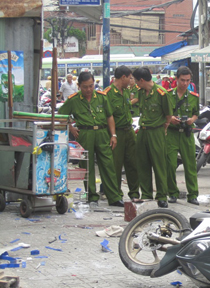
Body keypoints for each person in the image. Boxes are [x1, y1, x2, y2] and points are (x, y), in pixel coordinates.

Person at [58, 72, 124, 207]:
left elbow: (109, 116)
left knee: (108, 165)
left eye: (91, 86)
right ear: (79, 86)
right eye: (85, 87)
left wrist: (113, 135)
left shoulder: (102, 97)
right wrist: (71, 127)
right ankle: (92, 196)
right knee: (86, 166)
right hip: (84, 133)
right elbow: (62, 116)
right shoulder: (73, 100)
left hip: (102, 132)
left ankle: (114, 197)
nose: (88, 90)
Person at [133, 67, 173, 208]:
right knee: (142, 163)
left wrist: (164, 127)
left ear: (142, 80)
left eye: (136, 81)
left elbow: (168, 115)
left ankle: (162, 196)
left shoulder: (162, 94)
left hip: (156, 131)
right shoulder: (141, 93)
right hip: (143, 131)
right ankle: (146, 194)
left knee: (159, 164)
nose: (136, 84)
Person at [104, 66, 141, 203]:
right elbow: (108, 116)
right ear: (123, 77)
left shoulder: (126, 92)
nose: (131, 81)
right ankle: (116, 195)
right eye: (130, 78)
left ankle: (134, 193)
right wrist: (112, 135)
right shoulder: (108, 93)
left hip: (129, 130)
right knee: (116, 166)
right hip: (116, 132)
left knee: (133, 163)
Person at [166, 66, 200, 205]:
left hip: (186, 134)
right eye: (182, 80)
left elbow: (196, 113)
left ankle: (192, 195)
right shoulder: (168, 95)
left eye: (188, 80)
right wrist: (170, 119)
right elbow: (163, 113)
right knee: (170, 164)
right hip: (172, 134)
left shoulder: (193, 97)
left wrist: (192, 120)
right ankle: (172, 193)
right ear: (176, 79)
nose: (185, 83)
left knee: (190, 165)